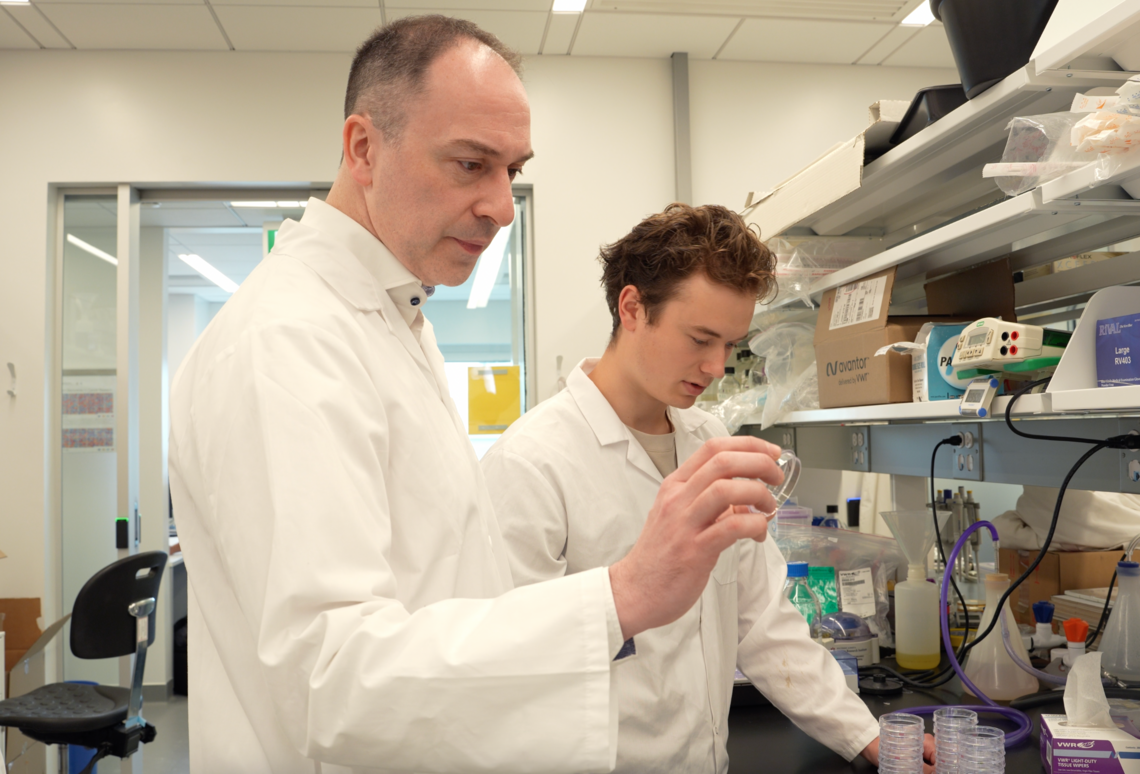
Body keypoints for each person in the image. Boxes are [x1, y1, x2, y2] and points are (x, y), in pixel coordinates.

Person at [168, 17, 784, 774]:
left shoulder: (392, 318)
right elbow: (329, 681)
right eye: (470, 165)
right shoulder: (287, 342)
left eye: (512, 171)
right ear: (364, 148)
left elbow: (440, 605)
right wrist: (620, 596)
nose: (502, 205)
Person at [481, 203, 937, 773]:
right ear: (632, 308)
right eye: (701, 338)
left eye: (731, 344)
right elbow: (513, 665)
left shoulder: (708, 438)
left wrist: (865, 735)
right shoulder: (531, 464)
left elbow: (761, 617)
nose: (718, 365)